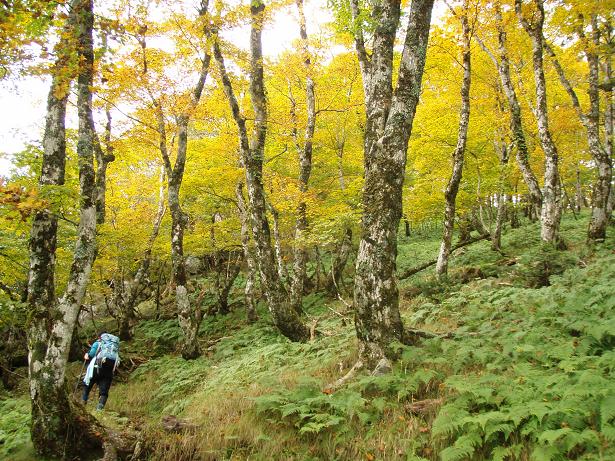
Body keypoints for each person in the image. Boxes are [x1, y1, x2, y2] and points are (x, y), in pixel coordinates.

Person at [82, 332, 120, 410]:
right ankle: (99, 409)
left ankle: (83, 402)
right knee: (104, 391)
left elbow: (91, 354)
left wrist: (87, 355)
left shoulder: (98, 343)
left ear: (100, 337)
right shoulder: (113, 346)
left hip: (96, 368)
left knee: (87, 384)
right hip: (109, 370)